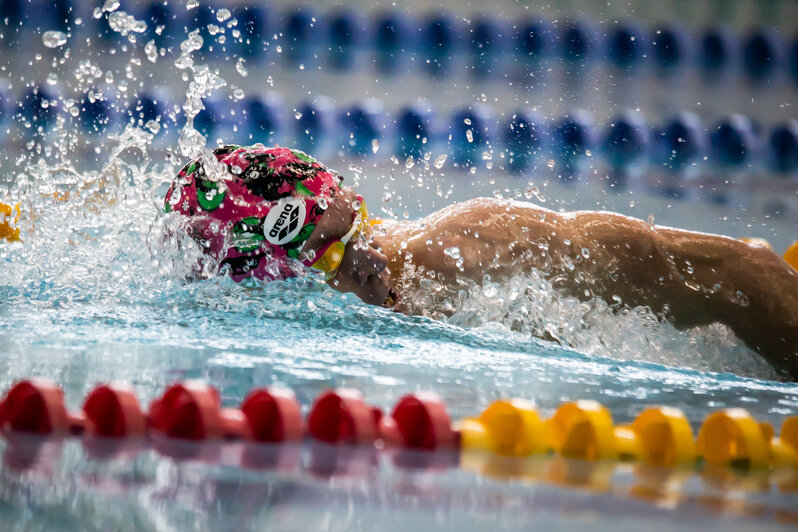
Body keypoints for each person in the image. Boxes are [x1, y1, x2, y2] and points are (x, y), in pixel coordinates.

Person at [162, 144, 798, 379]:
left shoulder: (478, 245)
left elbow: (737, 273)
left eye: (356, 233)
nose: (366, 267)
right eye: (327, 264)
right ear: (266, 286)